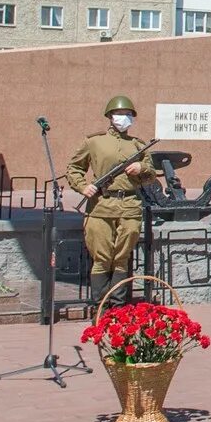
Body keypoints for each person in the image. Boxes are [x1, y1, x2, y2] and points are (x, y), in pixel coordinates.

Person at [67, 95, 159, 307]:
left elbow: (151, 174)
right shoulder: (94, 141)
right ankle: (100, 309)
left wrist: (141, 168)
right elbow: (74, 168)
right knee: (102, 259)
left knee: (121, 259)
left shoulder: (138, 145)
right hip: (101, 206)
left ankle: (118, 308)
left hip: (129, 207)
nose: (124, 118)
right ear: (109, 116)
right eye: (119, 114)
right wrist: (83, 186)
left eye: (128, 114)